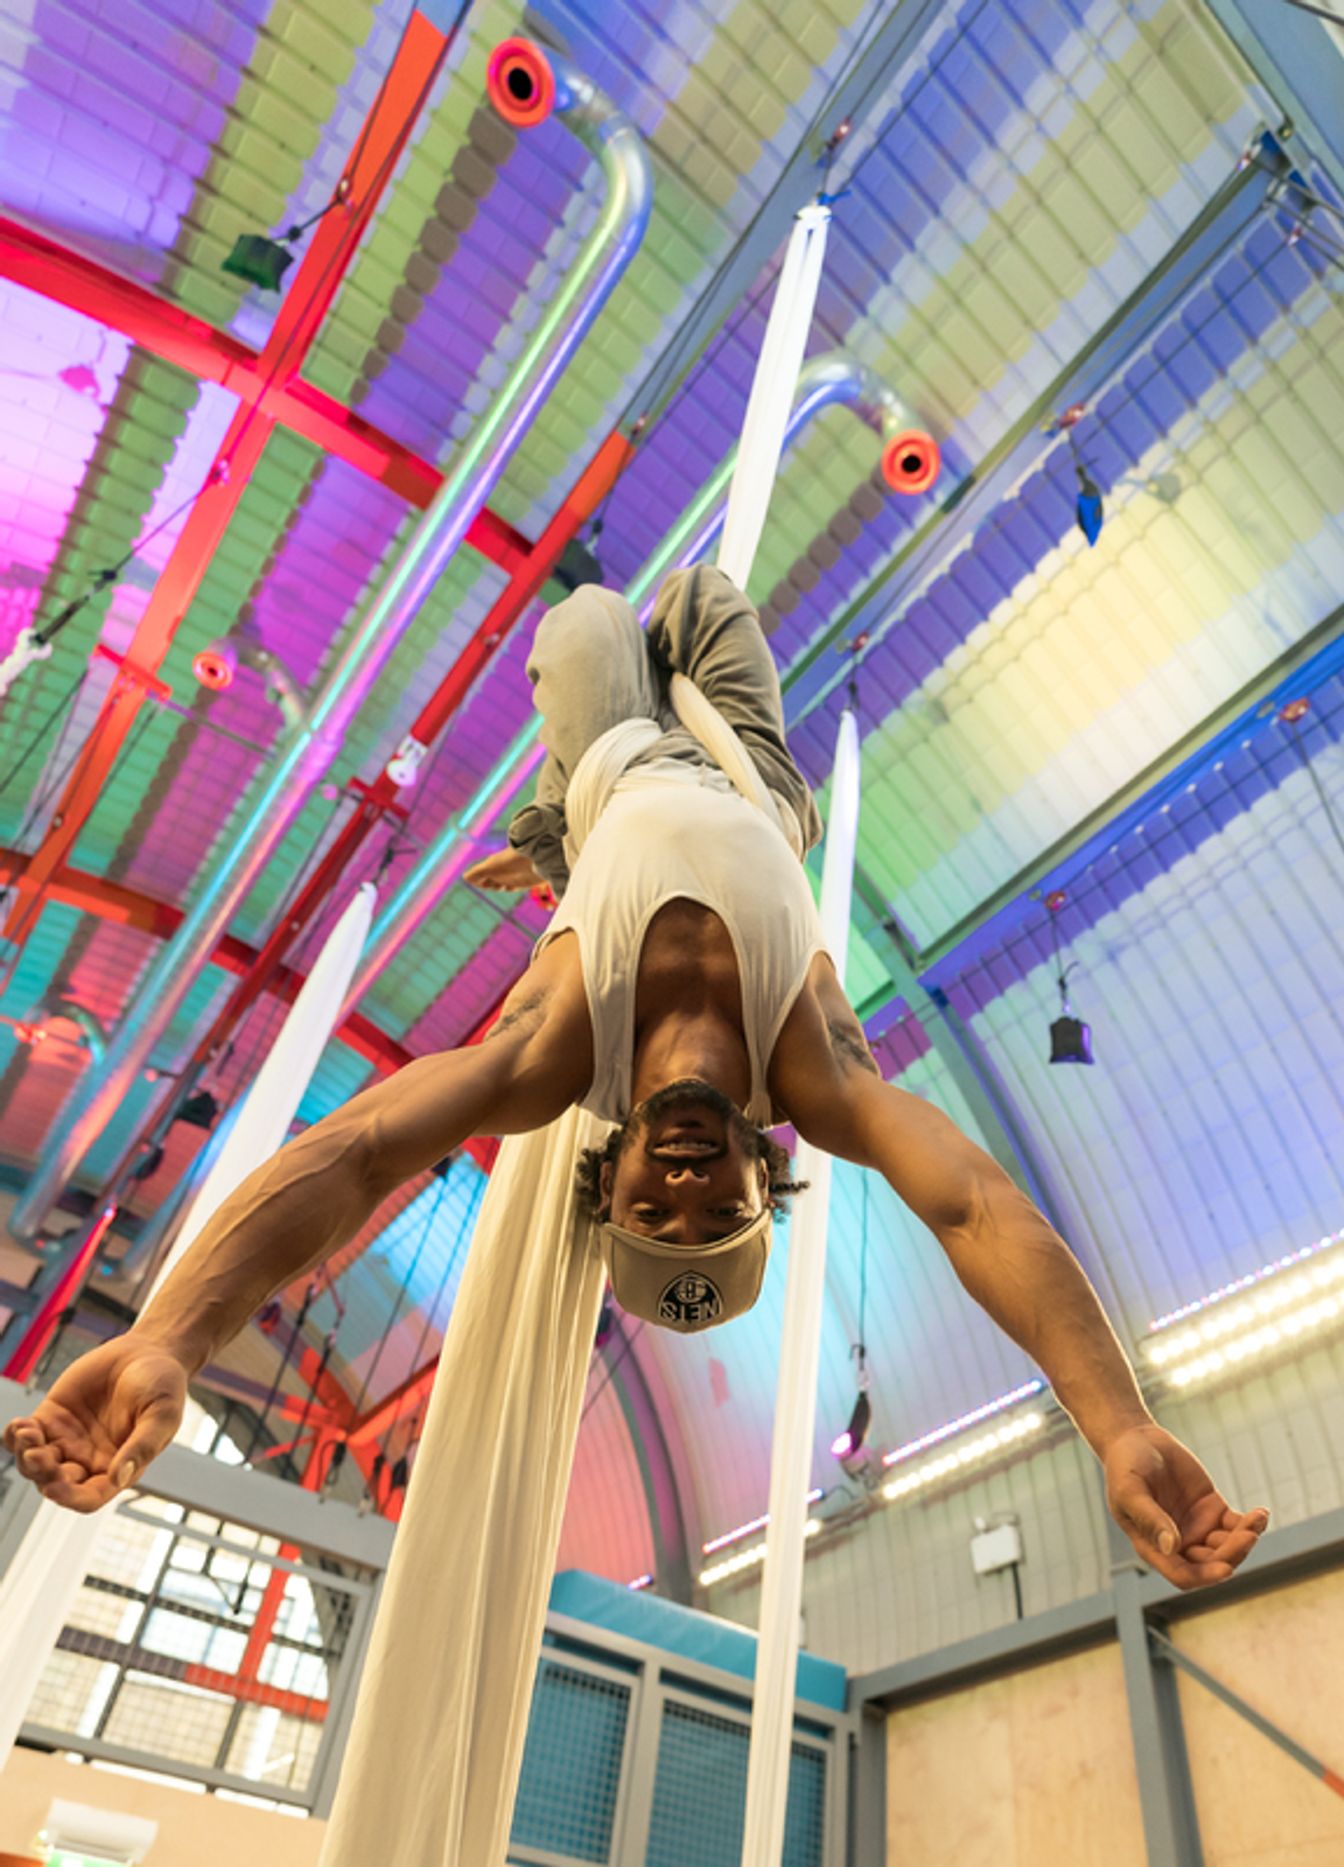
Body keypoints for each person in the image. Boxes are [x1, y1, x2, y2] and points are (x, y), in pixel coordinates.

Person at [2, 567, 1267, 1591]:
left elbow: (357, 1154)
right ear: (764, 1173)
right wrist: (1114, 1420)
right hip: (756, 786)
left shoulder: (554, 1053)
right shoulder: (811, 1070)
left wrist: (171, 1336)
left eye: (648, 1218)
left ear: (602, 1177)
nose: (680, 1190)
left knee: (592, 620)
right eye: (716, 1214)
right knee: (706, 595)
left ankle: (554, 842)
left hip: (614, 769)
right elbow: (974, 1207)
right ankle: (561, 836)